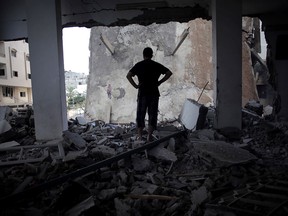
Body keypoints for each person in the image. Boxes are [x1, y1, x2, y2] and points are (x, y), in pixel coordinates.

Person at [126, 47, 172, 142]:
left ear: (143, 55)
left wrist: (136, 86)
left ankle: (139, 135)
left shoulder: (139, 65)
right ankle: (149, 136)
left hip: (142, 93)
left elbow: (128, 75)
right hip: (154, 93)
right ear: (152, 55)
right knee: (152, 114)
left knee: (140, 114)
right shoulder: (156, 65)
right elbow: (169, 73)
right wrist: (159, 82)